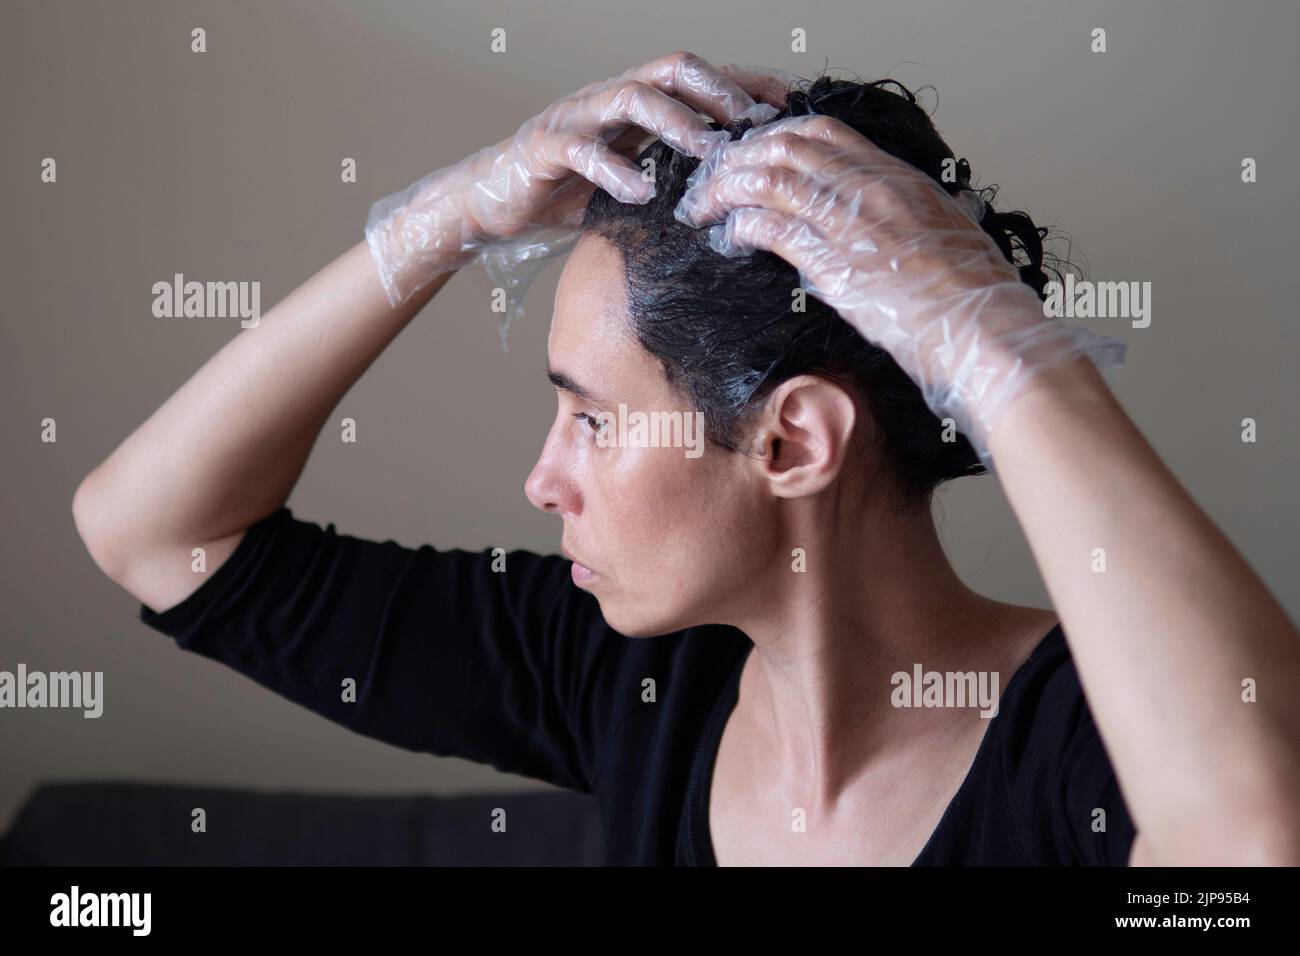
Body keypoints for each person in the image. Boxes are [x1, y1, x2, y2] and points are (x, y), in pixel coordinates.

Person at [72, 52, 1300, 866]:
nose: (542, 479)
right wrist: (442, 222)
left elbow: (1252, 837)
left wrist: (992, 346)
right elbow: (153, 529)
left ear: (792, 441)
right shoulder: (623, 675)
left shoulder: (1084, 746)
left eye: (591, 418)